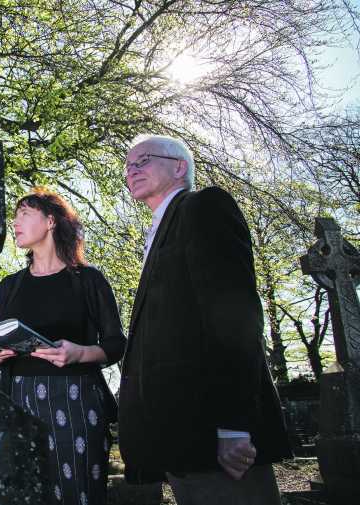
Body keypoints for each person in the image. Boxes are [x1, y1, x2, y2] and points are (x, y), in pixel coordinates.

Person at [118, 134, 292, 504]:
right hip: (183, 439)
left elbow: (235, 317)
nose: (132, 171)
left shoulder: (203, 207)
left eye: (143, 160)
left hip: (218, 439)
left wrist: (233, 425)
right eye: (128, 166)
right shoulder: (161, 228)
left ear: (179, 167)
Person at [0, 187, 126, 505]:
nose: (15, 222)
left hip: (77, 403)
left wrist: (81, 353)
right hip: (19, 403)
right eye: (14, 216)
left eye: (24, 214)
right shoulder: (8, 287)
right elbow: (0, 354)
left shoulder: (89, 280)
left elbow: (116, 345)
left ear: (50, 221)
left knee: (80, 495)